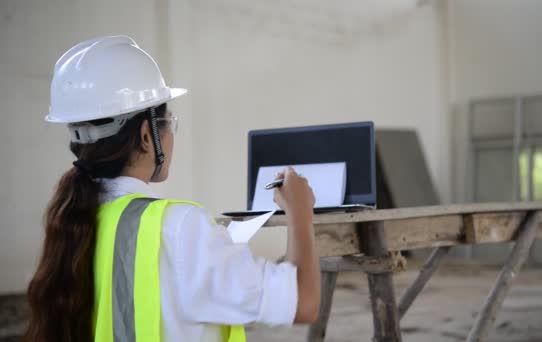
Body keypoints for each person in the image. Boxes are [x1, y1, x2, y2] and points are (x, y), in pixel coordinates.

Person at [23, 35, 320, 342]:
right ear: (146, 135)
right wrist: (300, 211)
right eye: (168, 123)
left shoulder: (72, 218)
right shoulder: (180, 227)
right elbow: (304, 304)